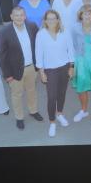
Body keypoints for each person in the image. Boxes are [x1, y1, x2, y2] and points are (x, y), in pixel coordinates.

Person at [0, 5, 44, 130]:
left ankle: (33, 111)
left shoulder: (32, 26)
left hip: (32, 68)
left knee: (31, 90)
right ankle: (19, 117)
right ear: (11, 17)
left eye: (21, 15)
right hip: (14, 70)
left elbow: (39, 45)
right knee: (17, 95)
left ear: (25, 16)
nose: (19, 18)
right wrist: (7, 75)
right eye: (16, 15)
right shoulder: (4, 32)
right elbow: (1, 56)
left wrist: (39, 65)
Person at [34, 9, 75, 138]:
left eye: (54, 18)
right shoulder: (41, 34)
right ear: (45, 21)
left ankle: (60, 114)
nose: (51, 21)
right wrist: (41, 72)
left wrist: (71, 66)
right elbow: (38, 54)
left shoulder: (65, 31)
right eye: (49, 19)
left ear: (58, 19)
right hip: (50, 70)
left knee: (61, 94)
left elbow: (71, 50)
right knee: (52, 97)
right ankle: (52, 122)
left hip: (64, 67)